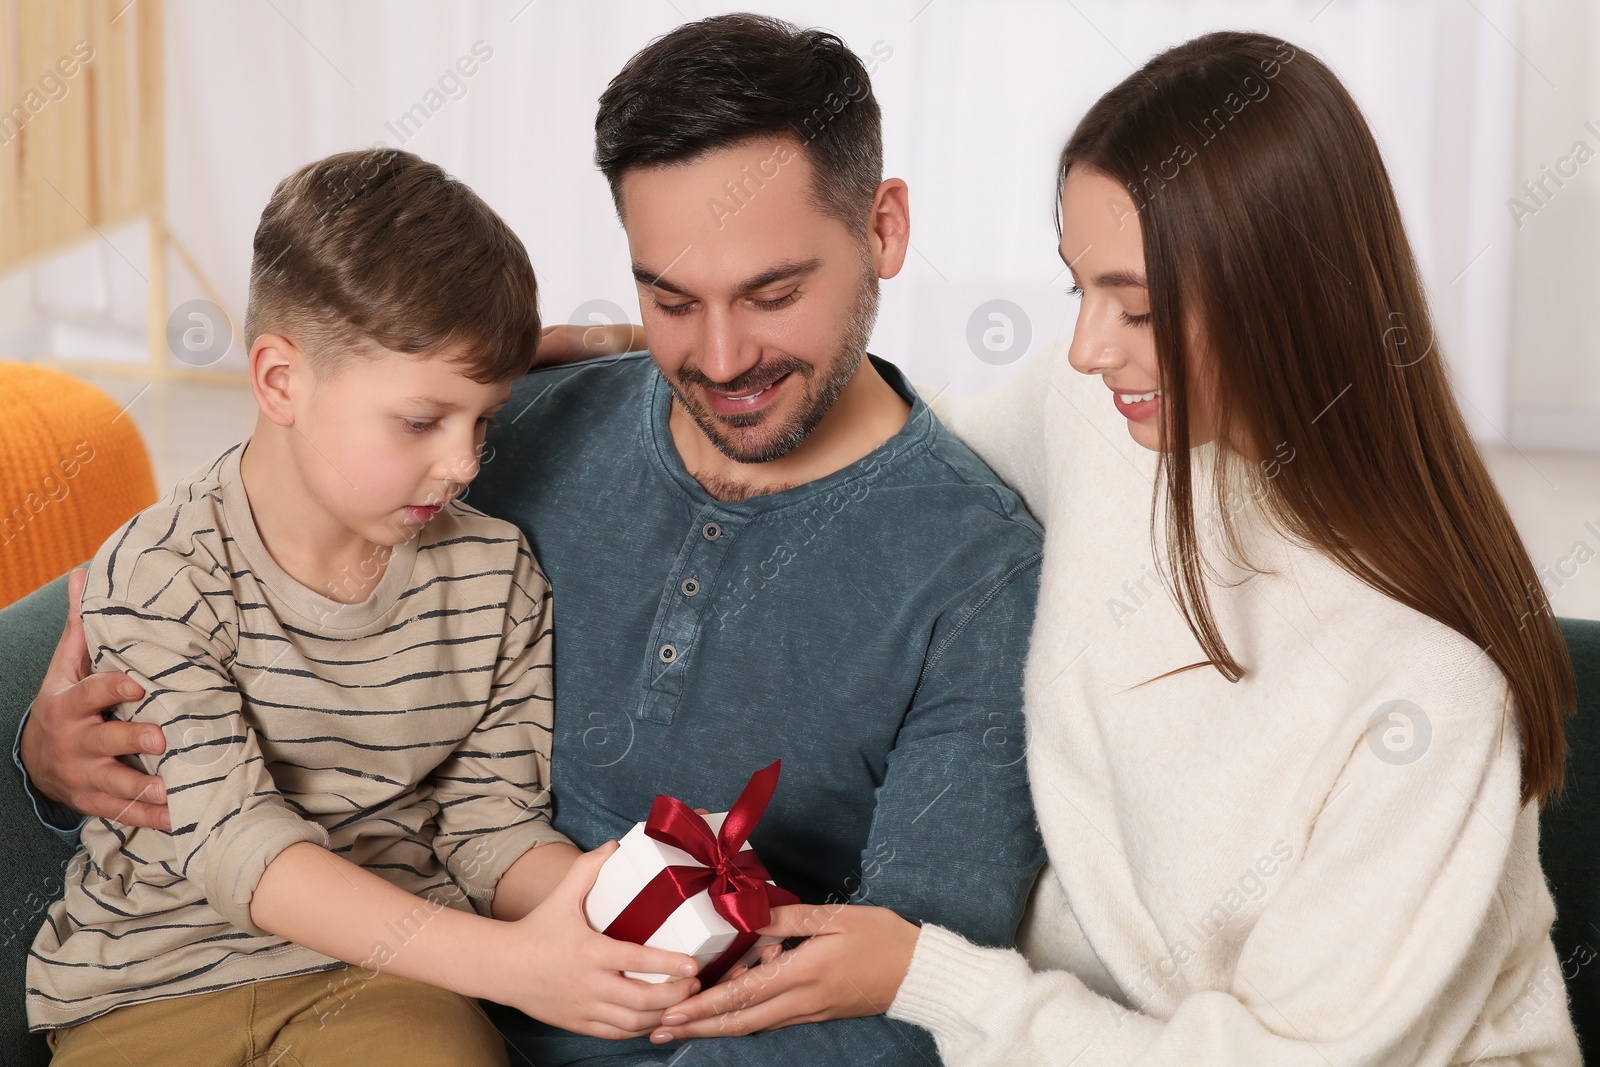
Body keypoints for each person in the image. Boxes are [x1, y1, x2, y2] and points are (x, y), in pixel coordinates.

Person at [14, 15, 1046, 1066]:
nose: (723, 355)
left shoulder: (977, 576)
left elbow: (916, 983)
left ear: (883, 228)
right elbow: (324, 453)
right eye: (672, 297)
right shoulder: (524, 429)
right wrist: (52, 769)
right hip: (300, 974)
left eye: (773, 293)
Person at [651, 30, 1582, 1065]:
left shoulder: (1427, 690)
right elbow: (908, 447)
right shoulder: (1104, 411)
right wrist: (671, 356)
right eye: (1077, 290)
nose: (1090, 347)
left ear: (1284, 295)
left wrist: (928, 975)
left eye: (1136, 307)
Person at [23, 148, 713, 1065]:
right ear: (279, 382)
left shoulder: (495, 573)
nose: (464, 463)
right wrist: (511, 963)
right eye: (423, 422)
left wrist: (610, 902)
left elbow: (487, 821)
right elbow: (235, 847)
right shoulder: (158, 573)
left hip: (391, 987)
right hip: (147, 984)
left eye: (485, 420)